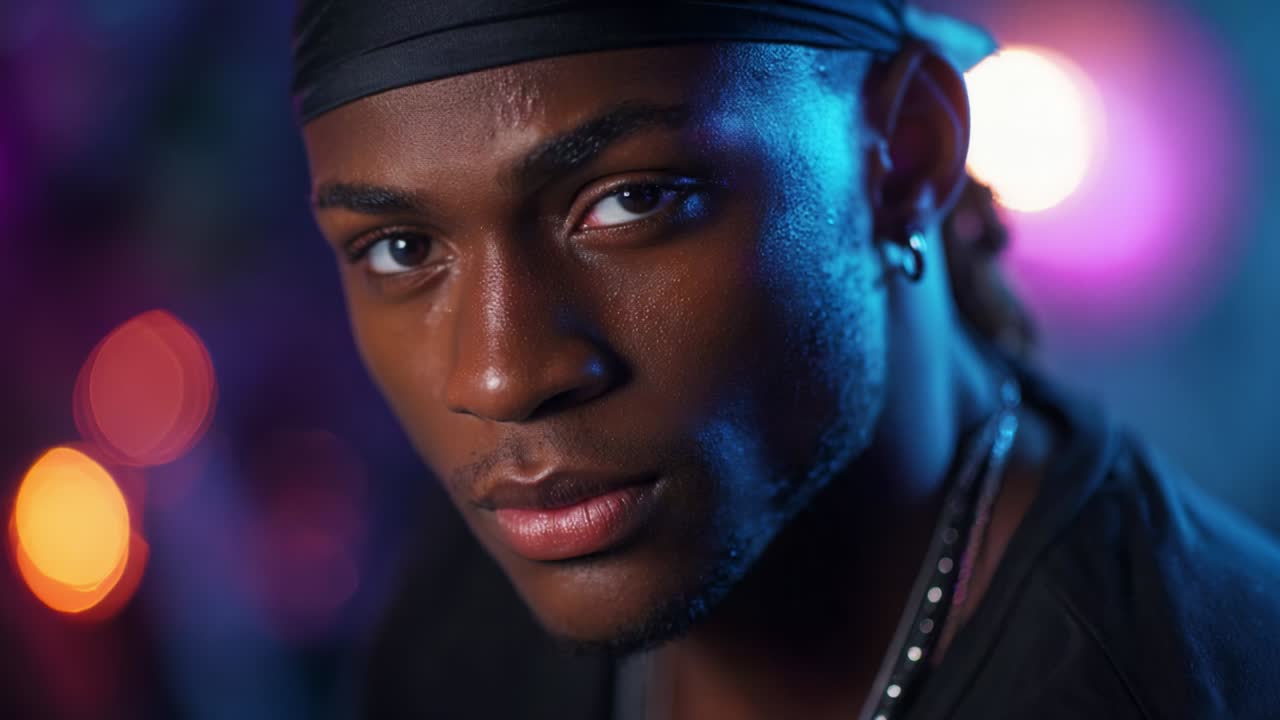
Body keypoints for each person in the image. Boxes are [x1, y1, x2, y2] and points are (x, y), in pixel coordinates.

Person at [292, 2, 1280, 718]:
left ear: (903, 154)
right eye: (402, 249)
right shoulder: (458, 627)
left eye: (631, 201)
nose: (499, 378)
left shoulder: (1178, 680)